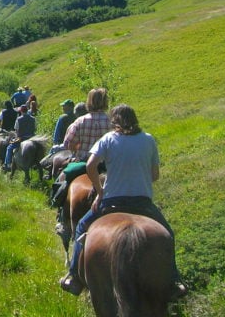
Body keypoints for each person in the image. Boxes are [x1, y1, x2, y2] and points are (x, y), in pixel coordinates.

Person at [60, 104, 187, 299]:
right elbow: (155, 175)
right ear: (135, 119)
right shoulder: (148, 139)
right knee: (168, 234)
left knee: (81, 228)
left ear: (115, 121)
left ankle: (74, 276)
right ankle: (174, 279)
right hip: (142, 202)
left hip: (112, 201)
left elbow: (90, 165)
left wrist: (100, 190)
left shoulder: (109, 139)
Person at [51, 88, 112, 232]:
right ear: (105, 102)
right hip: (107, 165)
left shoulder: (80, 121)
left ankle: (62, 216)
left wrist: (76, 148)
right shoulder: (112, 121)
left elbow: (68, 143)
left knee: (63, 179)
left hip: (84, 162)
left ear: (89, 102)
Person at [2, 105, 36, 171]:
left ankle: (8, 164)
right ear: (27, 110)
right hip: (32, 138)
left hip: (22, 138)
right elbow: (35, 128)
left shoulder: (19, 119)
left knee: (9, 148)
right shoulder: (33, 118)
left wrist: (16, 137)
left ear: (21, 111)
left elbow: (16, 130)